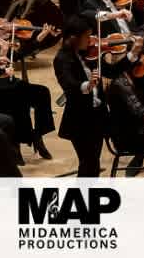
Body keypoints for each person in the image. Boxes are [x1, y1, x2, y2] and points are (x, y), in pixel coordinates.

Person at [53, 16, 109, 177]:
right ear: (73, 38)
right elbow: (69, 85)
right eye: (86, 36)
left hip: (96, 115)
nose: (90, 39)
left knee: (94, 163)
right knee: (88, 162)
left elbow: (110, 69)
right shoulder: (62, 59)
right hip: (80, 120)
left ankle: (90, 197)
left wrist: (131, 54)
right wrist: (88, 84)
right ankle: (83, 198)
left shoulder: (85, 53)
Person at [0, 39, 56, 162]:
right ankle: (18, 143)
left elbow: (20, 54)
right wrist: (2, 69)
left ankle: (38, 135)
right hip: (2, 86)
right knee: (17, 99)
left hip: (10, 83)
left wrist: (39, 39)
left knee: (42, 92)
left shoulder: (2, 41)